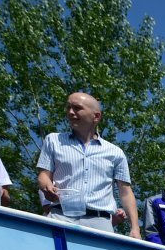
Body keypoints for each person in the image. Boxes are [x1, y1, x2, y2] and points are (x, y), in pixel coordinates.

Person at [36, 92, 140, 237]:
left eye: (77, 108)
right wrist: (46, 185)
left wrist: (135, 228)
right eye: (68, 108)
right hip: (60, 217)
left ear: (96, 116)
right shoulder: (53, 141)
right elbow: (43, 175)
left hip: (100, 224)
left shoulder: (115, 152)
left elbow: (126, 192)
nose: (70, 112)